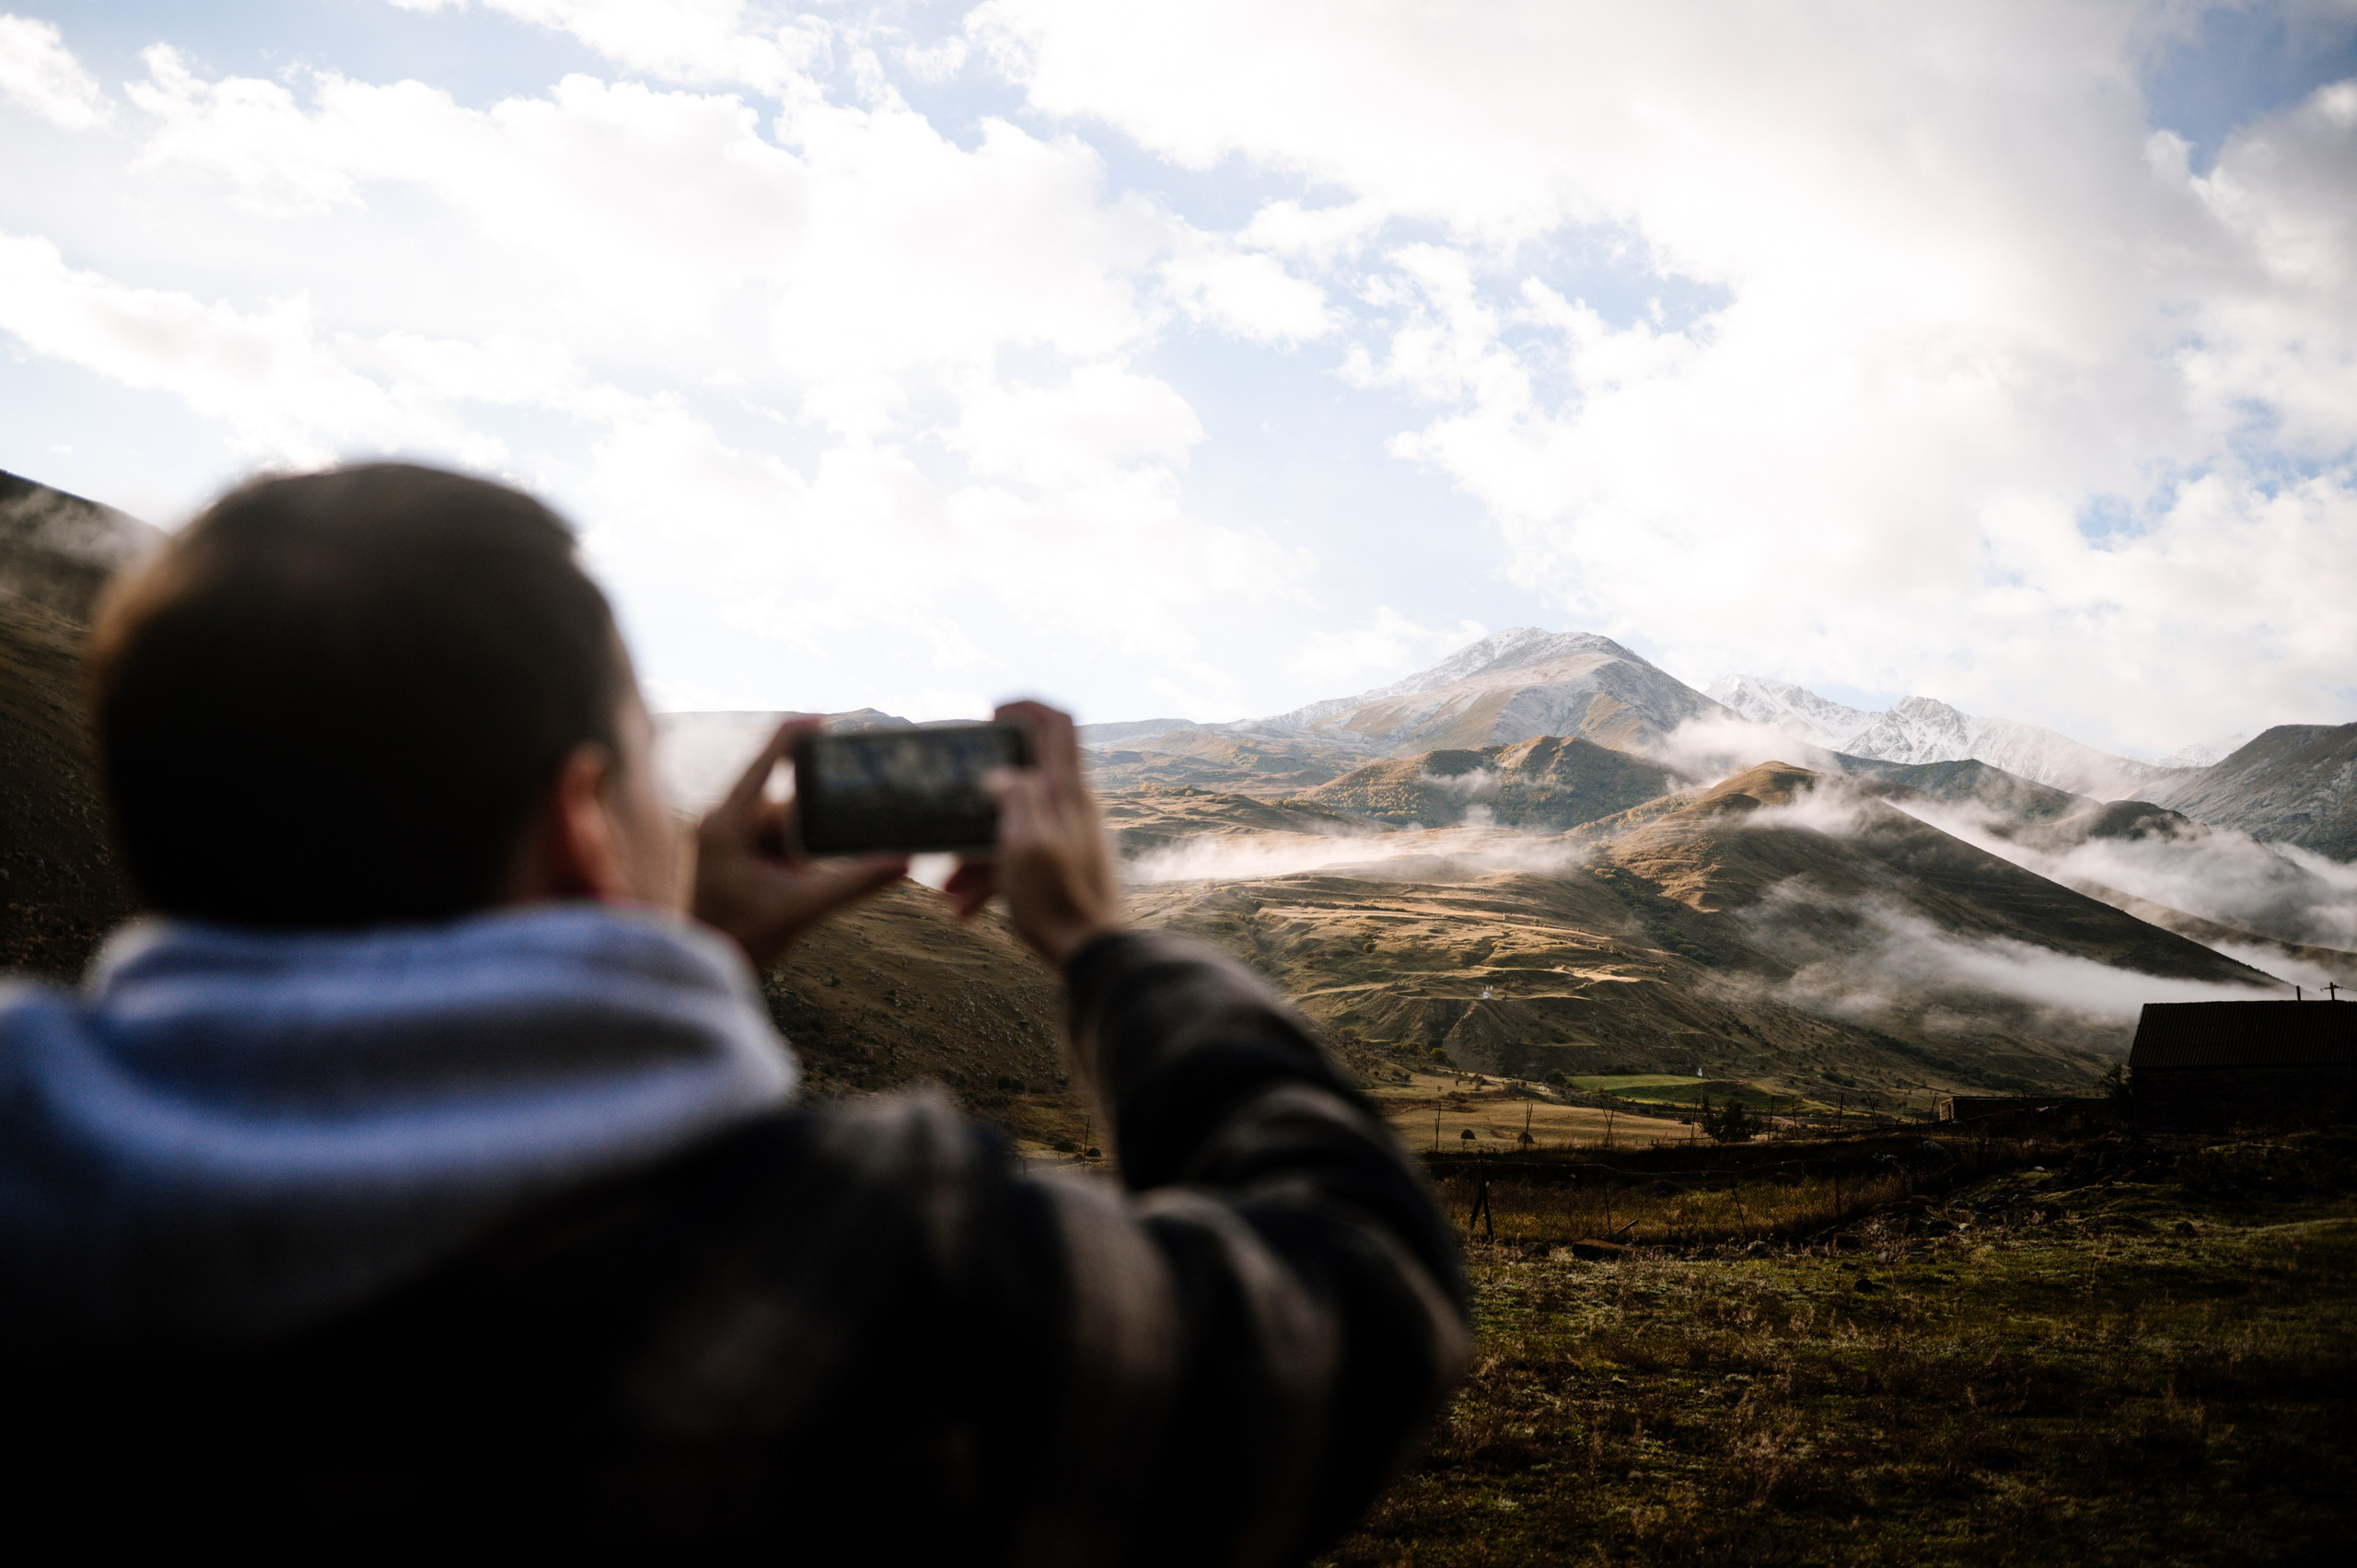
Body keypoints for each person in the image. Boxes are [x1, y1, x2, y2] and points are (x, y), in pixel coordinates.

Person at [0, 464, 1467, 1562]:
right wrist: (1103, 947)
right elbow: (1362, 1314)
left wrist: (676, 940)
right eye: (645, 762)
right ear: (585, 819)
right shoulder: (867, 1260)